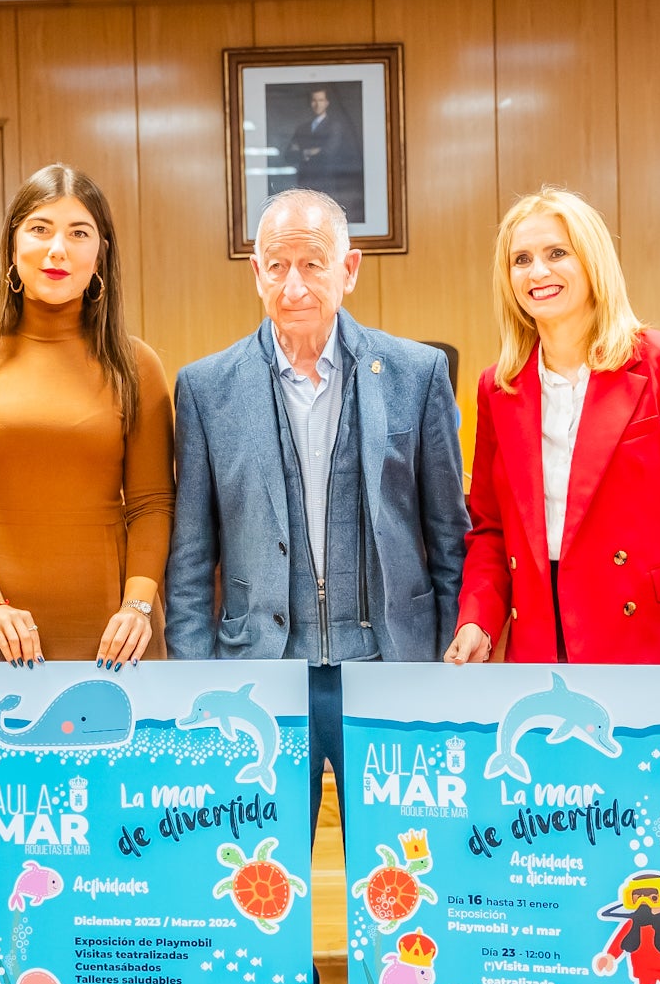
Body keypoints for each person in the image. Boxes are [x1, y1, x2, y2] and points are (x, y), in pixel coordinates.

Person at [443, 186, 660, 984]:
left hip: (659, 664)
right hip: (545, 676)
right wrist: (477, 619)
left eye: (556, 252)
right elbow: (489, 527)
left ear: (592, 262)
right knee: (563, 879)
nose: (537, 271)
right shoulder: (500, 387)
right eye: (521, 258)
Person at [168, 188, 468, 851]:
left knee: (401, 865)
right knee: (260, 873)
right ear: (256, 273)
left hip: (391, 666)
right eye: (277, 266)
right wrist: (196, 677)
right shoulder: (205, 388)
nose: (294, 284)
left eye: (312, 263)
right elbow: (189, 558)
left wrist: (448, 665)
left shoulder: (417, 374)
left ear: (349, 268)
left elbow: (451, 537)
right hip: (259, 676)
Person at [0, 163, 175, 923]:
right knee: (17, 837)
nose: (57, 248)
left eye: (78, 232)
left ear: (102, 254)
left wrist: (139, 606)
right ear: (12, 246)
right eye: (39, 229)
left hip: (116, 632)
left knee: (121, 840)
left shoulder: (136, 363)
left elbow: (153, 501)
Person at [283, 86, 363, 217]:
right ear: (310, 103)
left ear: (327, 103)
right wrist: (311, 151)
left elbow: (329, 152)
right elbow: (289, 155)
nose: (317, 104)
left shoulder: (334, 126)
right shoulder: (302, 128)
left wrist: (302, 151)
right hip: (304, 184)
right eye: (314, 100)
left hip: (326, 183)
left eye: (320, 100)